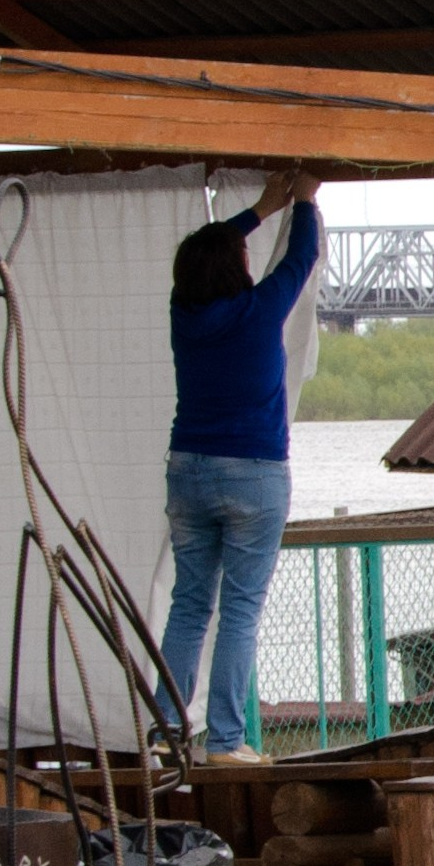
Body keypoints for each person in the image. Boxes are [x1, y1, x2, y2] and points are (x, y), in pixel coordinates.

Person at [160, 167, 323, 765]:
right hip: (254, 472)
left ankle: (163, 738)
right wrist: (301, 202)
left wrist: (260, 209)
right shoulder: (259, 310)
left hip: (188, 470)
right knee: (240, 613)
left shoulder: (184, 314)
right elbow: (302, 256)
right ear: (238, 267)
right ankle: (226, 742)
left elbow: (201, 256)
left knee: (189, 605)